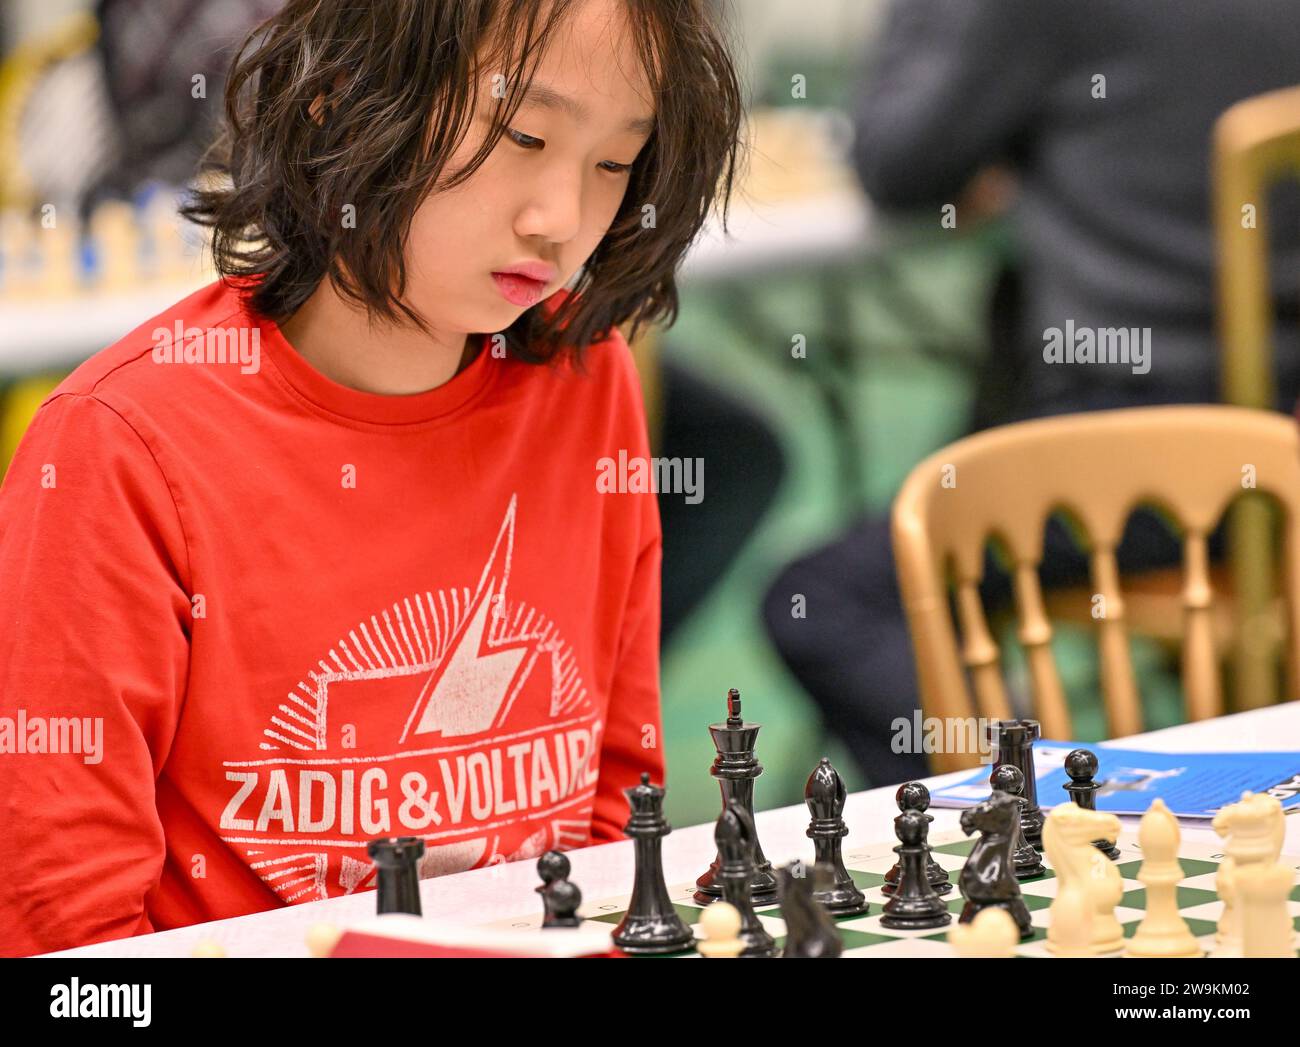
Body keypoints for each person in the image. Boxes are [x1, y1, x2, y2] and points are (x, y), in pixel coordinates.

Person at [0, 0, 744, 956]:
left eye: (613, 163)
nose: (562, 219)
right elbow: (71, 948)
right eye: (522, 134)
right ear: (339, 98)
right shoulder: (117, 451)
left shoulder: (586, 384)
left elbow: (613, 817)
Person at [764, 0, 1300, 787]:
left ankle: (1033, 814)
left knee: (826, 601)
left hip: (1143, 459)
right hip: (1277, 434)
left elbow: (898, 166)